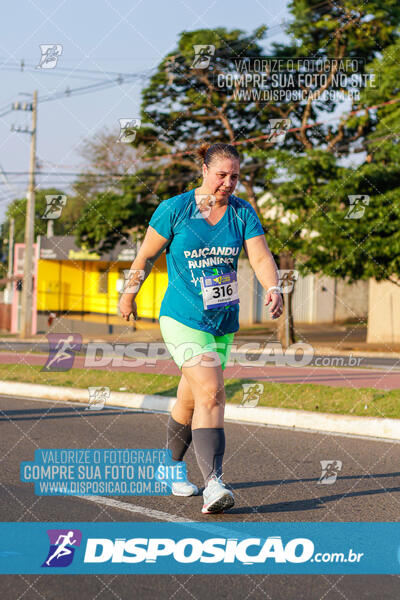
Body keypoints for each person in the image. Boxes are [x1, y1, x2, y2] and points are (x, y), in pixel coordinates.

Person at [119, 142, 283, 514]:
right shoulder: (174, 209)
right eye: (221, 174)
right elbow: (145, 256)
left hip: (222, 319)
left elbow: (259, 255)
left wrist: (273, 286)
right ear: (204, 170)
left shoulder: (242, 213)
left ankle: (172, 466)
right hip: (182, 317)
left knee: (192, 399)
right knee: (212, 392)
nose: (228, 183)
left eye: (235, 176)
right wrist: (129, 295)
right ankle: (214, 484)